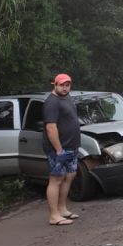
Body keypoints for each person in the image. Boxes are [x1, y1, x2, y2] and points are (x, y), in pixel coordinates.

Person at [43, 73, 80, 226]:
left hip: (72, 146)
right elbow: (51, 127)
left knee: (70, 175)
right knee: (56, 179)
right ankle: (54, 216)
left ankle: (62, 209)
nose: (65, 88)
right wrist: (58, 149)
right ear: (55, 84)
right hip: (58, 149)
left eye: (67, 85)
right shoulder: (52, 102)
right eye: (62, 85)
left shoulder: (67, 97)